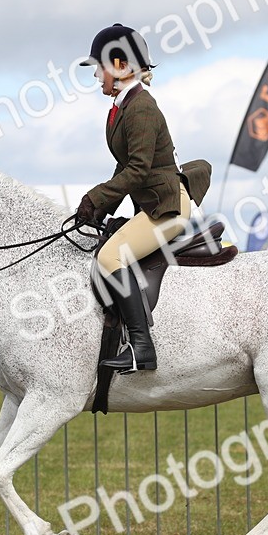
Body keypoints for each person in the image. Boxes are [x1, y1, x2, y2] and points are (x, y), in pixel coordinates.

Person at [73, 23, 194, 373]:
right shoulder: (124, 106)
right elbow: (124, 166)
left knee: (110, 256)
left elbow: (138, 170)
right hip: (152, 204)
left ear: (121, 66)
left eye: (99, 67)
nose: (96, 75)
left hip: (167, 207)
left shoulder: (140, 108)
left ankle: (142, 347)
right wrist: (99, 208)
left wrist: (95, 197)